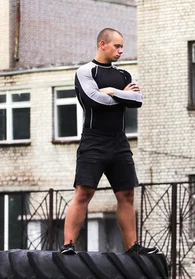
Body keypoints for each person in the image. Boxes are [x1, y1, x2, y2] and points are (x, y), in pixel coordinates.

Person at [60, 28, 159, 255]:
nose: (121, 51)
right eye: (117, 46)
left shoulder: (124, 75)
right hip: (93, 141)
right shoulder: (85, 72)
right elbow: (93, 100)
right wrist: (121, 96)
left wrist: (113, 91)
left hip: (119, 142)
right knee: (84, 193)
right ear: (103, 44)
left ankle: (133, 248)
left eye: (122, 46)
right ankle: (68, 245)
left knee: (127, 195)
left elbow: (138, 99)